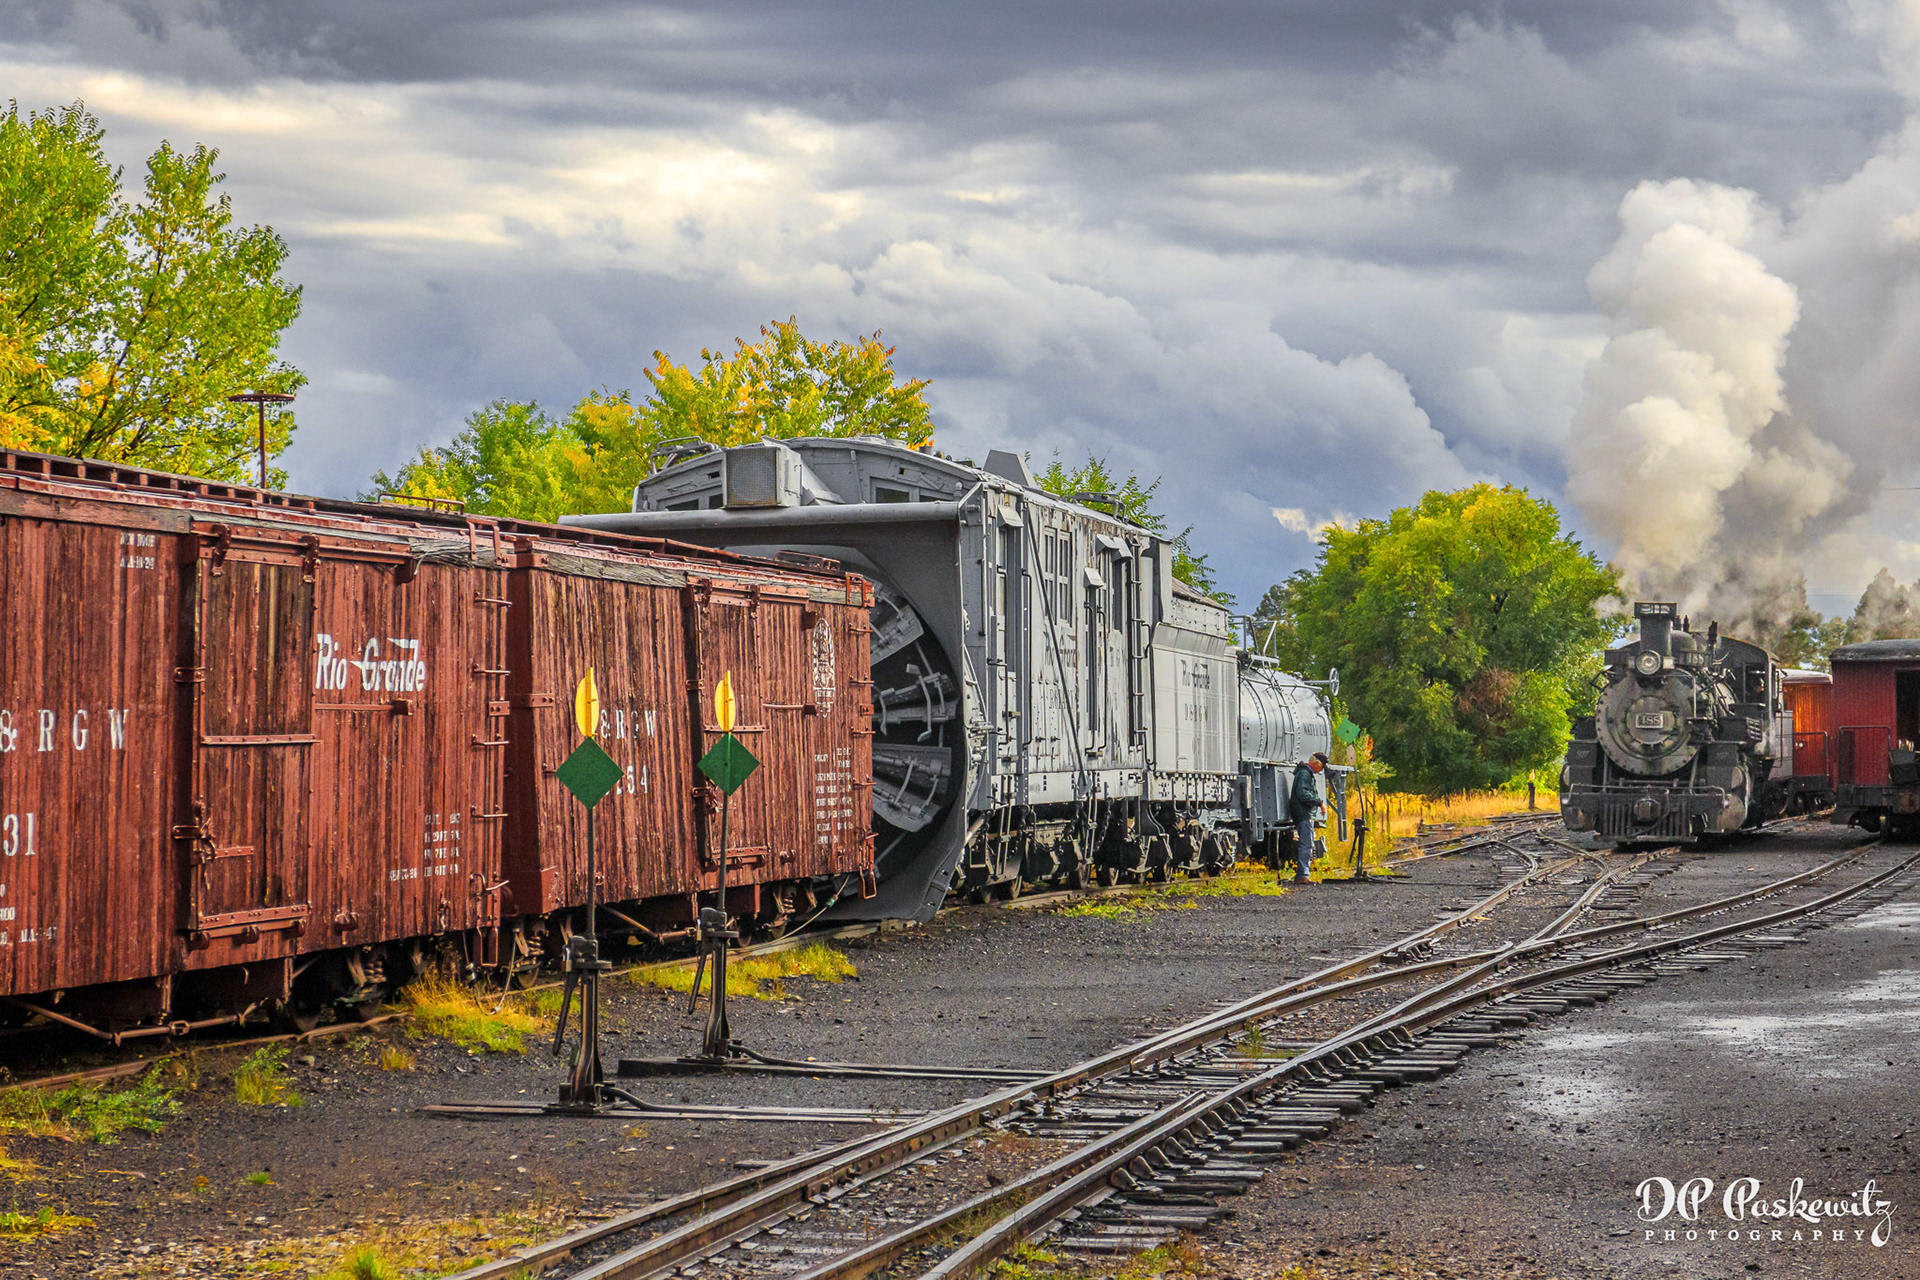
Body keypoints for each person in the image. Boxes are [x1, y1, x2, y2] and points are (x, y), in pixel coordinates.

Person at [1287, 752, 1329, 883]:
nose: (1321, 770)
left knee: (1307, 843)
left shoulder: (1304, 773)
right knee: (1306, 844)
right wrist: (1319, 801)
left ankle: (1303, 873)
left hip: (1303, 813)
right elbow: (1302, 794)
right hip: (1303, 813)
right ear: (1316, 764)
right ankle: (1303, 875)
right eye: (1321, 767)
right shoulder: (1305, 774)